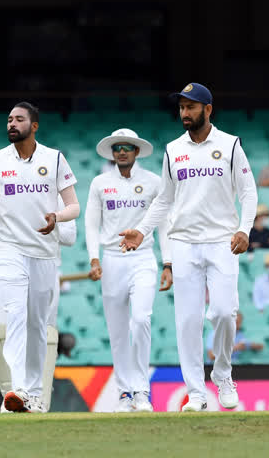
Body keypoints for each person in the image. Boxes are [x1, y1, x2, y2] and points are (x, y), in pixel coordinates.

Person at [119, 82, 258, 412]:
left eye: (191, 107)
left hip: (223, 241)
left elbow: (249, 192)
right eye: (181, 107)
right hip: (183, 243)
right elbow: (164, 199)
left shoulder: (230, 145)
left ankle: (223, 374)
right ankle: (196, 393)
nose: (184, 113)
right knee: (188, 321)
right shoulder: (172, 150)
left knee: (224, 312)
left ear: (208, 110)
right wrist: (141, 231)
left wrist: (244, 229)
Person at [0, 101, 80, 413]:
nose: (11, 124)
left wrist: (57, 216)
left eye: (19, 119)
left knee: (36, 325)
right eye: (8, 119)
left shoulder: (55, 159)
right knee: (16, 315)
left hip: (45, 253)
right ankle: (17, 390)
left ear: (34, 126)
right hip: (10, 250)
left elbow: (74, 207)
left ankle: (31, 393)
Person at [0, 194, 75, 413]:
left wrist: (35, 225)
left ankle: (36, 395)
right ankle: (13, 395)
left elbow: (70, 236)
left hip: (44, 269)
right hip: (10, 268)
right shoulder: (10, 191)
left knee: (39, 332)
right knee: (3, 331)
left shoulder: (56, 195)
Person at [85, 128, 171, 413]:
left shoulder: (153, 182)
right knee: (119, 331)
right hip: (110, 260)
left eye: (127, 147)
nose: (122, 152)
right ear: (112, 153)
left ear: (136, 152)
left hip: (143, 256)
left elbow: (164, 225)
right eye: (117, 147)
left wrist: (168, 262)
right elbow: (91, 223)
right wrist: (93, 258)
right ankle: (125, 393)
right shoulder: (99, 183)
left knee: (141, 319)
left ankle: (142, 391)